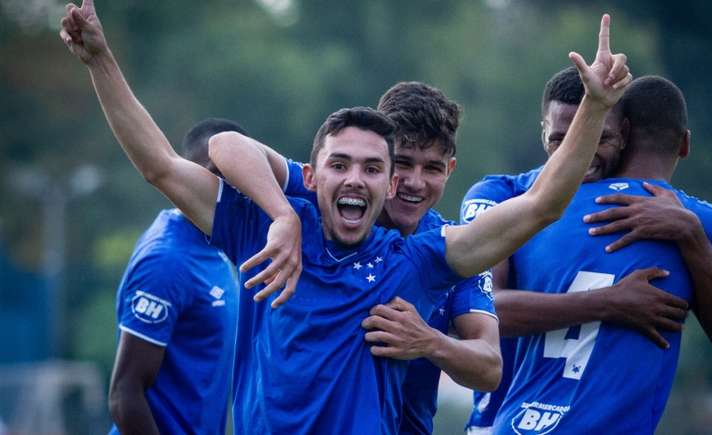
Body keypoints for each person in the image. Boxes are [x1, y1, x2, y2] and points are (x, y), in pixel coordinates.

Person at [60, 1, 632, 432]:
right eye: (340, 164)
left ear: (385, 185)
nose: (357, 178)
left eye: (372, 168)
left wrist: (595, 108)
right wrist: (100, 60)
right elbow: (168, 162)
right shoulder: (262, 227)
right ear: (311, 175)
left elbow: (541, 205)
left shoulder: (420, 258)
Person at [209, 81, 501, 435]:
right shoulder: (329, 191)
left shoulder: (453, 249)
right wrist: (281, 214)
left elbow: (489, 368)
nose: (415, 182)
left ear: (450, 169)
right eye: (404, 164)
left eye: (433, 169)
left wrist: (429, 342)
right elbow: (227, 145)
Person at [464, 74, 712, 434]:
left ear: (623, 135)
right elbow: (484, 311)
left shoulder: (689, 224)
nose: (579, 151)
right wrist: (610, 302)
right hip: (490, 423)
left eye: (598, 138)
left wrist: (690, 233)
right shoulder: (509, 200)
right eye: (561, 139)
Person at [107, 119, 241, 435]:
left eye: (237, 174)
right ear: (184, 171)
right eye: (215, 173)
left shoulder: (219, 243)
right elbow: (124, 394)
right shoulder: (168, 261)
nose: (226, 186)